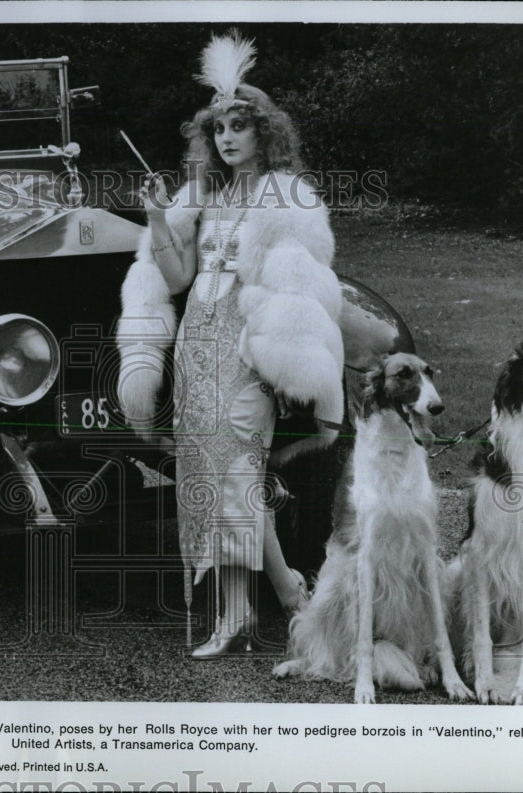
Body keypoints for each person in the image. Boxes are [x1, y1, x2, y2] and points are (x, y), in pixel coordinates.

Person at [116, 32, 345, 658]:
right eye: (219, 129)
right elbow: (177, 278)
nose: (228, 138)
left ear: (263, 132)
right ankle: (238, 611)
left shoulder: (287, 199)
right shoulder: (202, 196)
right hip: (196, 346)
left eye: (240, 126)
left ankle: (287, 593)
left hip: (247, 350)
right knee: (208, 474)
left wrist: (282, 354)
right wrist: (160, 221)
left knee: (240, 472)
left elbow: (300, 289)